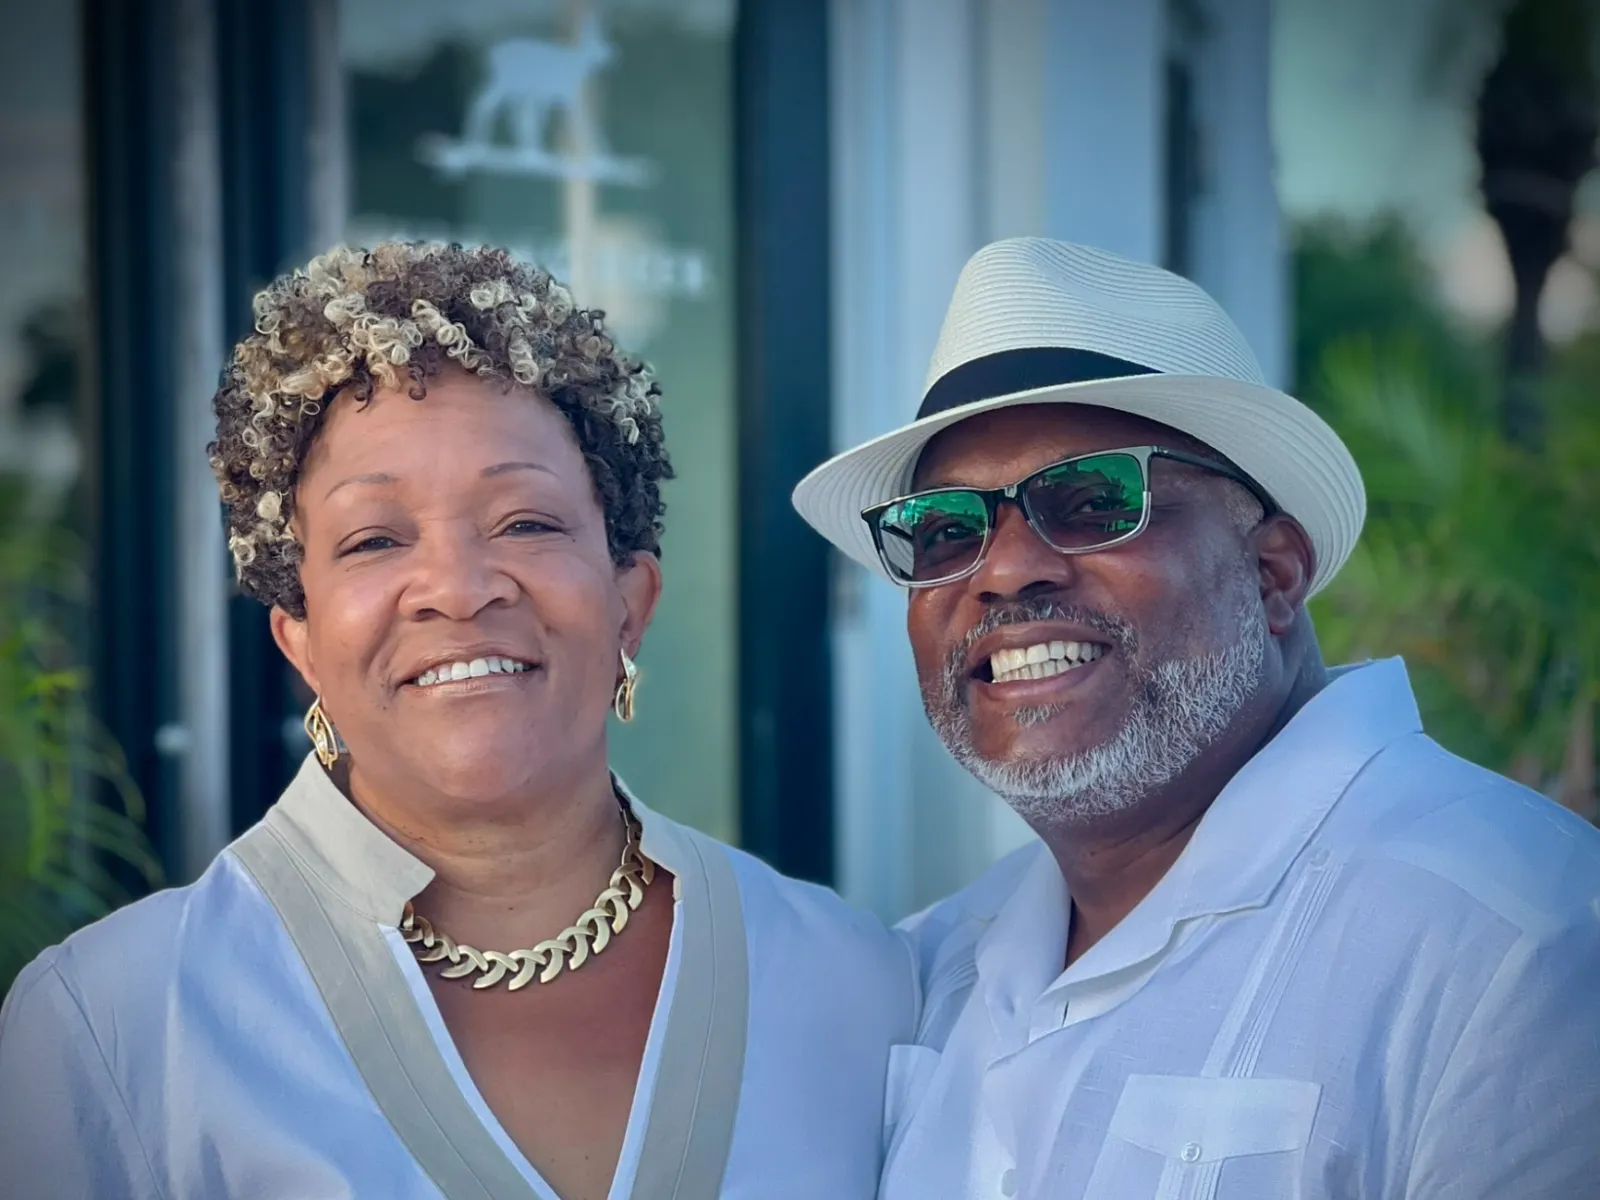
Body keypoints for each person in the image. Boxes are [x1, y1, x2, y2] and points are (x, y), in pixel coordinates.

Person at [0, 242, 916, 1200]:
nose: (458, 590)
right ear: (300, 639)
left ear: (628, 603)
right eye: (374, 540)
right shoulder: (116, 1024)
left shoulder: (856, 984)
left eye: (525, 521)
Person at [793, 237, 1600, 1199]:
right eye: (945, 531)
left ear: (1273, 574)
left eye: (1093, 502)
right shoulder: (932, 966)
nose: (1004, 571)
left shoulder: (1519, 944)